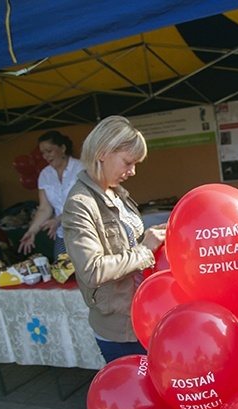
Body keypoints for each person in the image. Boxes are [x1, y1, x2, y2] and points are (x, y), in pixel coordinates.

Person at [62, 116, 166, 364]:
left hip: (141, 315)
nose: (132, 171)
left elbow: (125, 245)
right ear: (102, 153)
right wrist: (144, 249)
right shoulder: (79, 204)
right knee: (137, 398)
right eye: (128, 162)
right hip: (121, 328)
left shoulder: (116, 193)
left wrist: (153, 237)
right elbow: (92, 270)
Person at [18, 131, 84, 260]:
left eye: (49, 151)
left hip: (85, 231)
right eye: (43, 153)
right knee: (62, 272)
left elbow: (82, 203)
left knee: (89, 274)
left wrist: (57, 220)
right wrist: (32, 231)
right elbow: (44, 208)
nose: (46, 156)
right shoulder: (45, 174)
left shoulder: (81, 168)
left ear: (63, 148)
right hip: (63, 233)